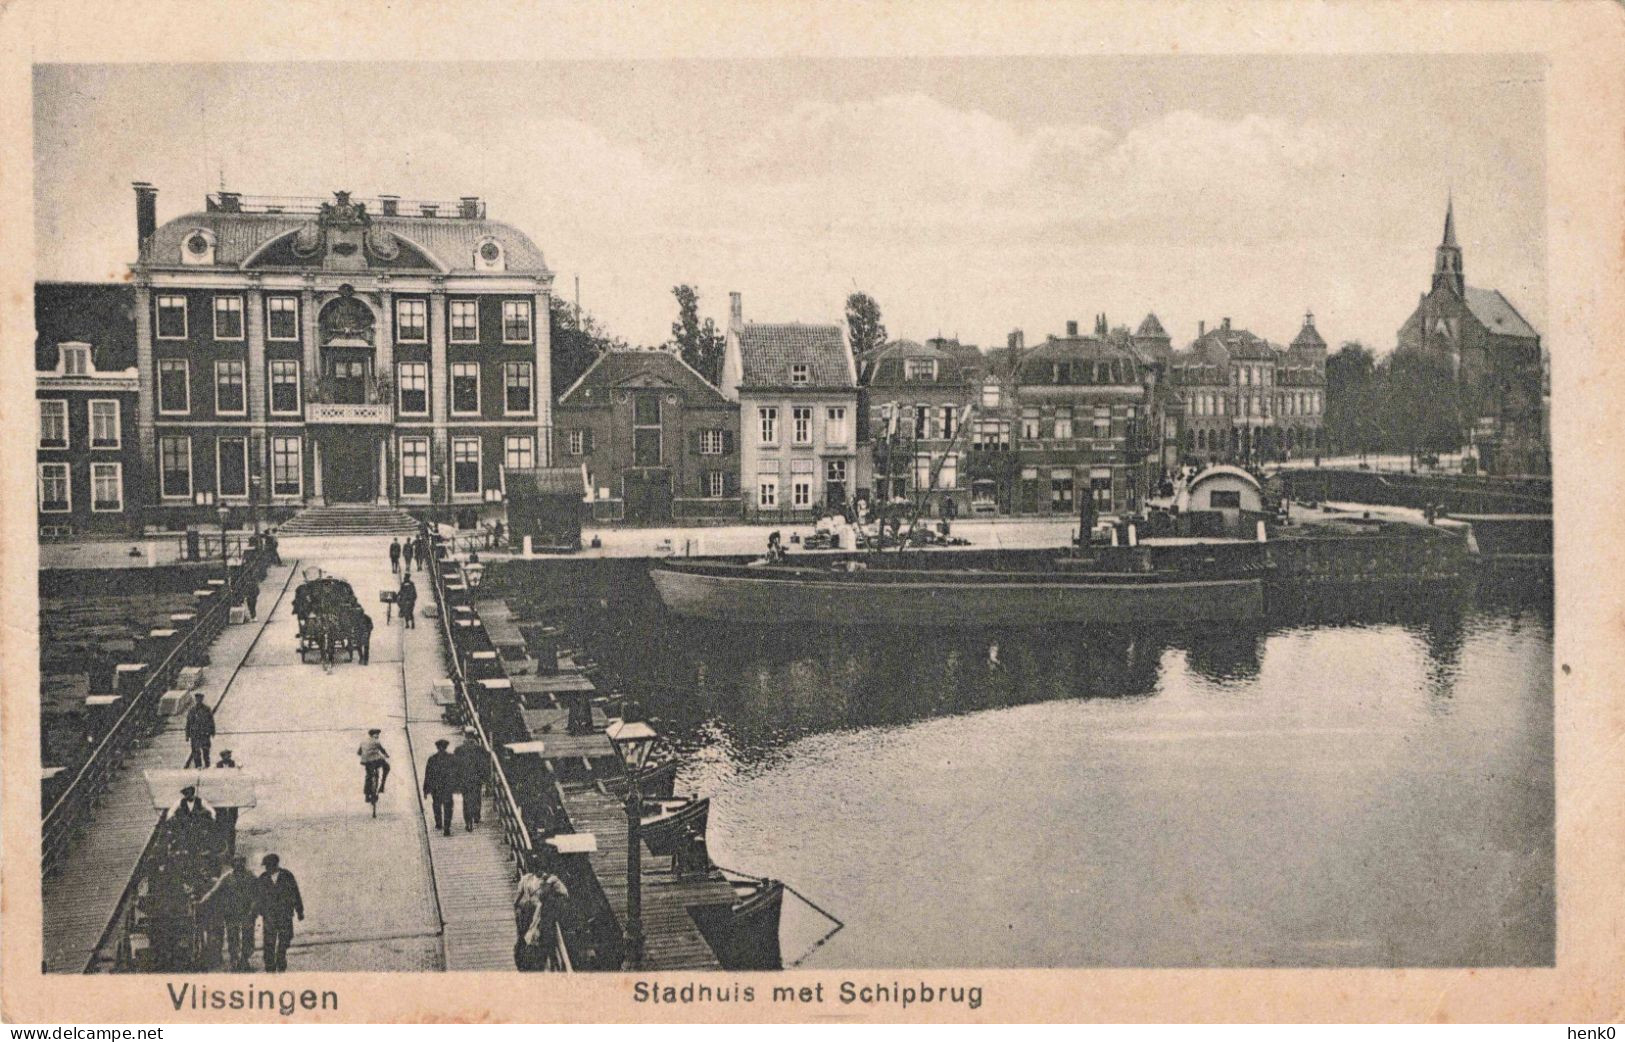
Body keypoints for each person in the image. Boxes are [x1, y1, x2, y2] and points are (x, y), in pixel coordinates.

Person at [199, 854, 258, 972]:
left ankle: (245, 959)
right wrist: (202, 901)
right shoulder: (227, 877)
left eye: (241, 862)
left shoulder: (251, 876)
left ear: (244, 863)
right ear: (232, 864)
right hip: (232, 912)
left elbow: (258, 892)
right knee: (233, 937)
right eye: (235, 862)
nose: (238, 864)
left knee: (248, 937)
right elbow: (213, 891)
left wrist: (254, 907)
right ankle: (234, 960)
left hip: (247, 911)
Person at [514, 857, 571, 971]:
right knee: (535, 938)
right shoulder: (550, 880)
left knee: (526, 937)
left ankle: (526, 962)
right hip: (538, 913)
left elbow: (517, 899)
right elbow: (565, 894)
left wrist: (517, 908)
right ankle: (534, 963)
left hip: (529, 912)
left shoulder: (527, 879)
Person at [256, 854, 303, 973]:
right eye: (266, 866)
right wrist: (259, 911)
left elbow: (295, 893)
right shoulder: (263, 878)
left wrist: (299, 910)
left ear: (275, 865)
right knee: (269, 941)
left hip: (285, 914)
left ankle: (281, 957)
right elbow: (258, 897)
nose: (267, 868)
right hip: (269, 915)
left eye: (268, 866)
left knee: (285, 938)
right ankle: (270, 965)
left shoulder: (287, 875)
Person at [423, 738, 459, 836]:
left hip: (436, 787)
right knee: (448, 807)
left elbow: (428, 775)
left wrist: (425, 790)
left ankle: (439, 823)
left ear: (437, 748)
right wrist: (457, 786)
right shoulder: (452, 758)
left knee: (436, 805)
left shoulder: (432, 759)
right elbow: (456, 773)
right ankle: (447, 827)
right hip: (448, 787)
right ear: (446, 747)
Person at [454, 727, 485, 831]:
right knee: (476, 796)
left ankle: (468, 822)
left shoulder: (459, 750)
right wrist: (484, 777)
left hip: (464, 779)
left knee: (466, 800)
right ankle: (476, 816)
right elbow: (483, 765)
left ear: (465, 735)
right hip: (476, 778)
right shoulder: (479, 749)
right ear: (474, 736)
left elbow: (456, 766)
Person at [171, 784, 215, 853]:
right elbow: (172, 810)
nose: (187, 796)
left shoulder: (200, 801)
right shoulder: (181, 802)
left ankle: (202, 849)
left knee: (200, 835)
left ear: (192, 793)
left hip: (198, 823)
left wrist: (211, 815)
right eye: (185, 794)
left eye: (188, 794)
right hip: (187, 824)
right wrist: (173, 816)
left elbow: (210, 809)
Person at [214, 750, 240, 854]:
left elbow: (240, 773)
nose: (227, 757)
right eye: (225, 756)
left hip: (231, 792)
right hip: (222, 792)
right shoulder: (217, 765)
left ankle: (231, 849)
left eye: (229, 755)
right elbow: (211, 773)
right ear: (222, 757)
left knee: (232, 824)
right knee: (221, 823)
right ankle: (223, 847)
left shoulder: (234, 764)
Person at [358, 728, 390, 803]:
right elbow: (382, 750)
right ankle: (382, 785)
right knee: (387, 767)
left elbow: (359, 752)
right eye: (377, 734)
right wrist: (386, 755)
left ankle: (367, 795)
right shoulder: (376, 741)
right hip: (376, 760)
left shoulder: (363, 742)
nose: (378, 736)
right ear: (373, 735)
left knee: (368, 776)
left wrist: (365, 755)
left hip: (366, 762)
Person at [184, 692, 215, 769]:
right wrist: (187, 735)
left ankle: (207, 765)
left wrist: (212, 731)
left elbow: (211, 721)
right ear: (196, 699)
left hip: (205, 734)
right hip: (195, 734)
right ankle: (198, 766)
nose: (199, 700)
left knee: (206, 751)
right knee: (196, 752)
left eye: (200, 699)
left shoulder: (207, 709)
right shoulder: (192, 710)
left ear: (202, 699)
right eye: (197, 699)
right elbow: (188, 723)